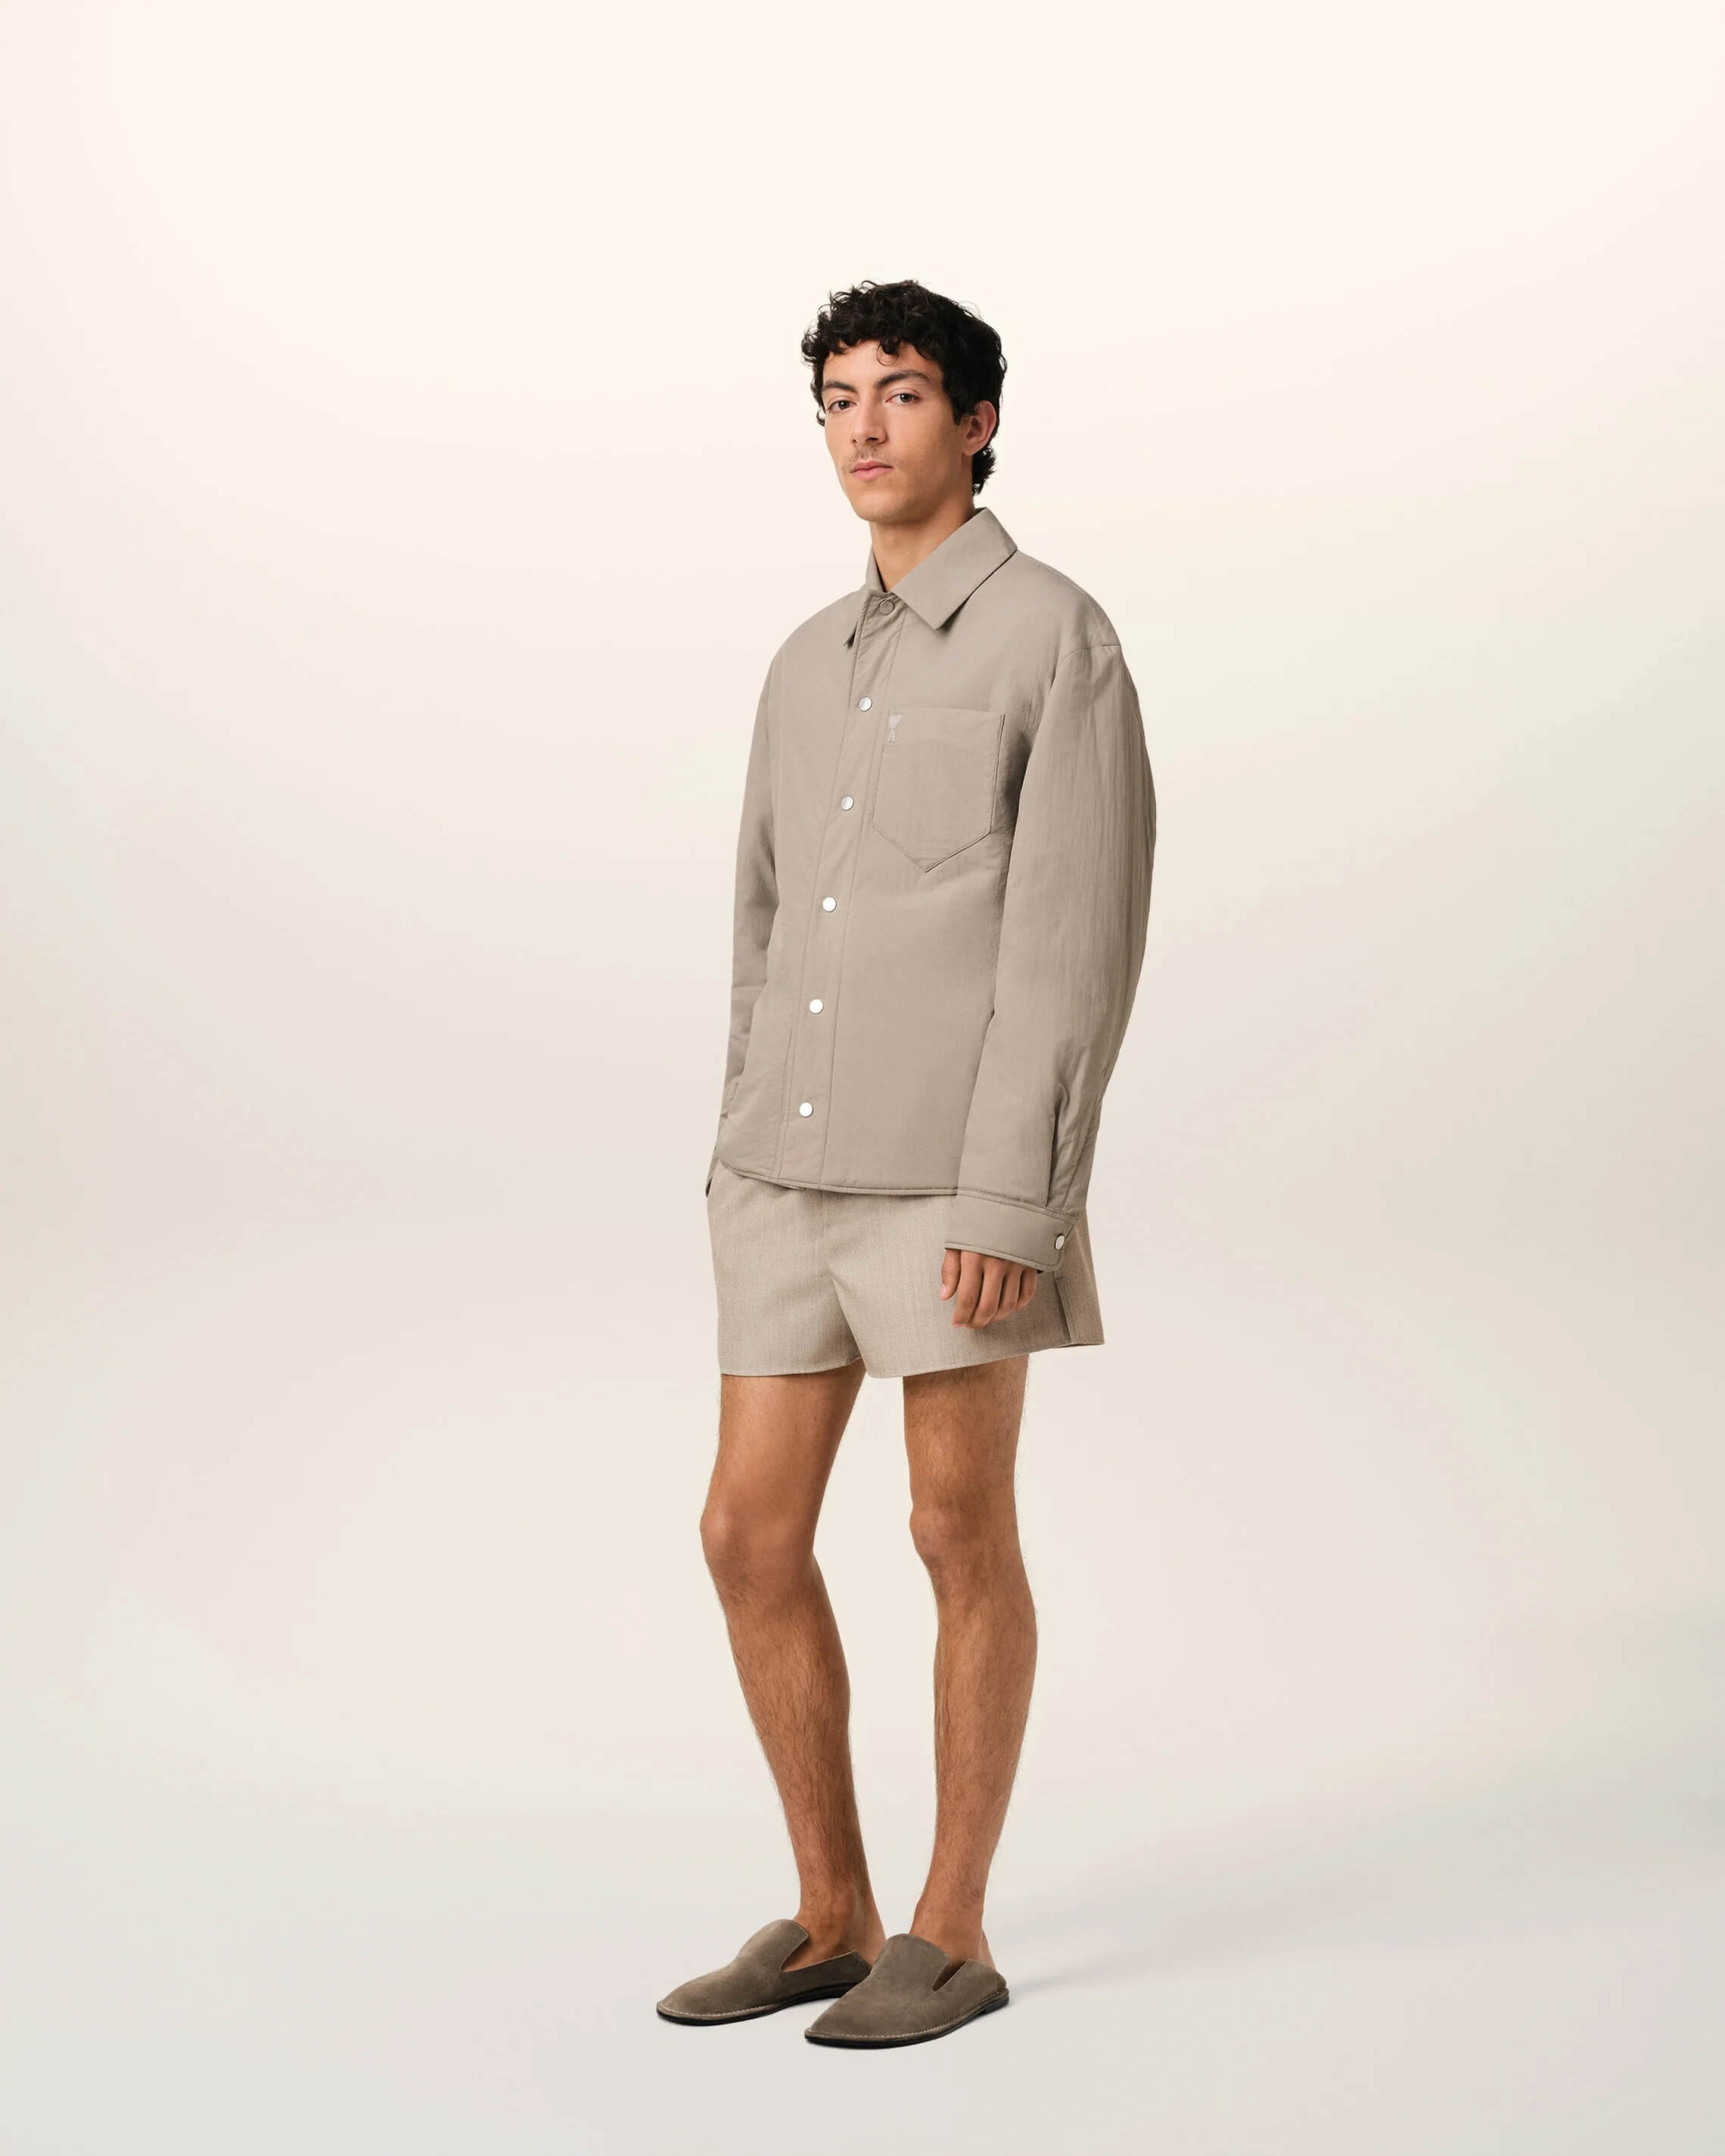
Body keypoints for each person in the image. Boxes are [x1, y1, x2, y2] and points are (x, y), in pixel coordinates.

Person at [657, 278, 1156, 2048]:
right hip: (782, 1172)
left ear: (978, 422)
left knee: (955, 1528)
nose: (865, 427)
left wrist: (1022, 1201)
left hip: (955, 1180)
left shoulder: (1055, 638)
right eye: (838, 398)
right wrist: (738, 1133)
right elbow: (762, 919)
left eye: (904, 393)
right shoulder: (807, 660)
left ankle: (951, 1927)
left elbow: (1071, 946)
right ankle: (829, 1914)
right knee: (745, 1533)